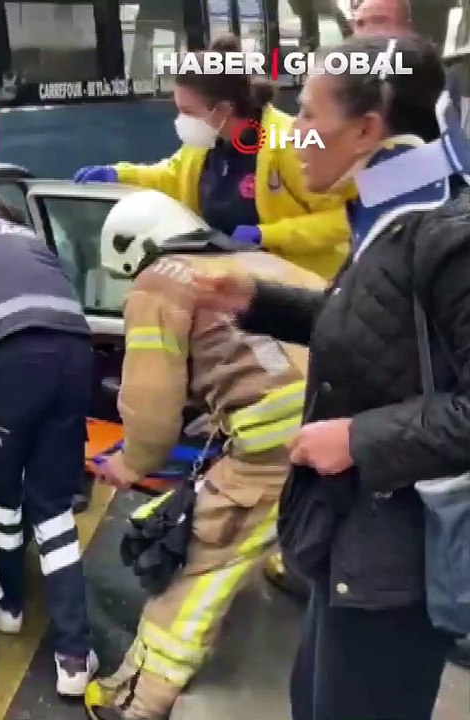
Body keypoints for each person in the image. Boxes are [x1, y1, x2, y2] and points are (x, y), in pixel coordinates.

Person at [193, 35, 467, 720]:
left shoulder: (443, 230)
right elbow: (376, 329)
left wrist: (356, 439)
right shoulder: (392, 206)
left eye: (311, 117)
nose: (296, 136)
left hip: (397, 567)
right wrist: (254, 301)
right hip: (351, 548)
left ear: (368, 129)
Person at [83, 189, 327, 720]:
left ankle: (136, 698)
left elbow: (151, 403)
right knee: (312, 505)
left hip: (273, 441)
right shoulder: (260, 262)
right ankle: (299, 565)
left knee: (201, 557)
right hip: (343, 422)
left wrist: (133, 462)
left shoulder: (157, 283)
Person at [0, 195, 96, 697]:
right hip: (76, 351)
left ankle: (8, 605)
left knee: (3, 496)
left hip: (10, 353)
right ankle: (74, 655)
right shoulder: (32, 243)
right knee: (52, 508)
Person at [72, 35, 352, 281]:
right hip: (234, 288)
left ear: (223, 110)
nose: (181, 120)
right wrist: (119, 174)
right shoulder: (203, 145)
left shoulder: (289, 144)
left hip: (302, 290)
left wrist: (267, 235)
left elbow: (341, 220)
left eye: (188, 111)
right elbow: (170, 176)